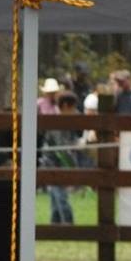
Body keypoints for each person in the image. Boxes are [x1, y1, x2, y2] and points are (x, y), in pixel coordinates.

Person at [42, 91, 81, 226]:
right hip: (53, 165)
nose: (75, 111)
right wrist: (73, 167)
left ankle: (55, 223)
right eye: (73, 108)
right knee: (60, 196)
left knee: (55, 196)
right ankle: (68, 223)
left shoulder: (63, 122)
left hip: (53, 164)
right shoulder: (59, 123)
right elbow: (63, 149)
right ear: (65, 106)